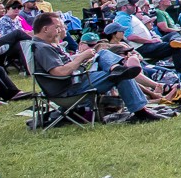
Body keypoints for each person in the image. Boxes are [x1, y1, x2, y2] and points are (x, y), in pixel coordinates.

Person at [25, 10, 168, 123]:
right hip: (68, 89)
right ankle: (140, 111)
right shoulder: (42, 48)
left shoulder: (44, 45)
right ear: (45, 29)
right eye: (56, 27)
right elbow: (59, 72)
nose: (59, 30)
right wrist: (81, 57)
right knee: (120, 75)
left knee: (105, 55)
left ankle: (116, 69)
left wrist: (84, 59)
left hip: (74, 81)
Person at [104, 0, 181, 80]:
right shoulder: (122, 18)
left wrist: (152, 37)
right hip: (142, 47)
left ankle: (176, 42)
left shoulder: (128, 16)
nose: (135, 6)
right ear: (124, 7)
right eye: (132, 4)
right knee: (175, 48)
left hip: (149, 43)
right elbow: (130, 37)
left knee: (173, 34)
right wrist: (150, 40)